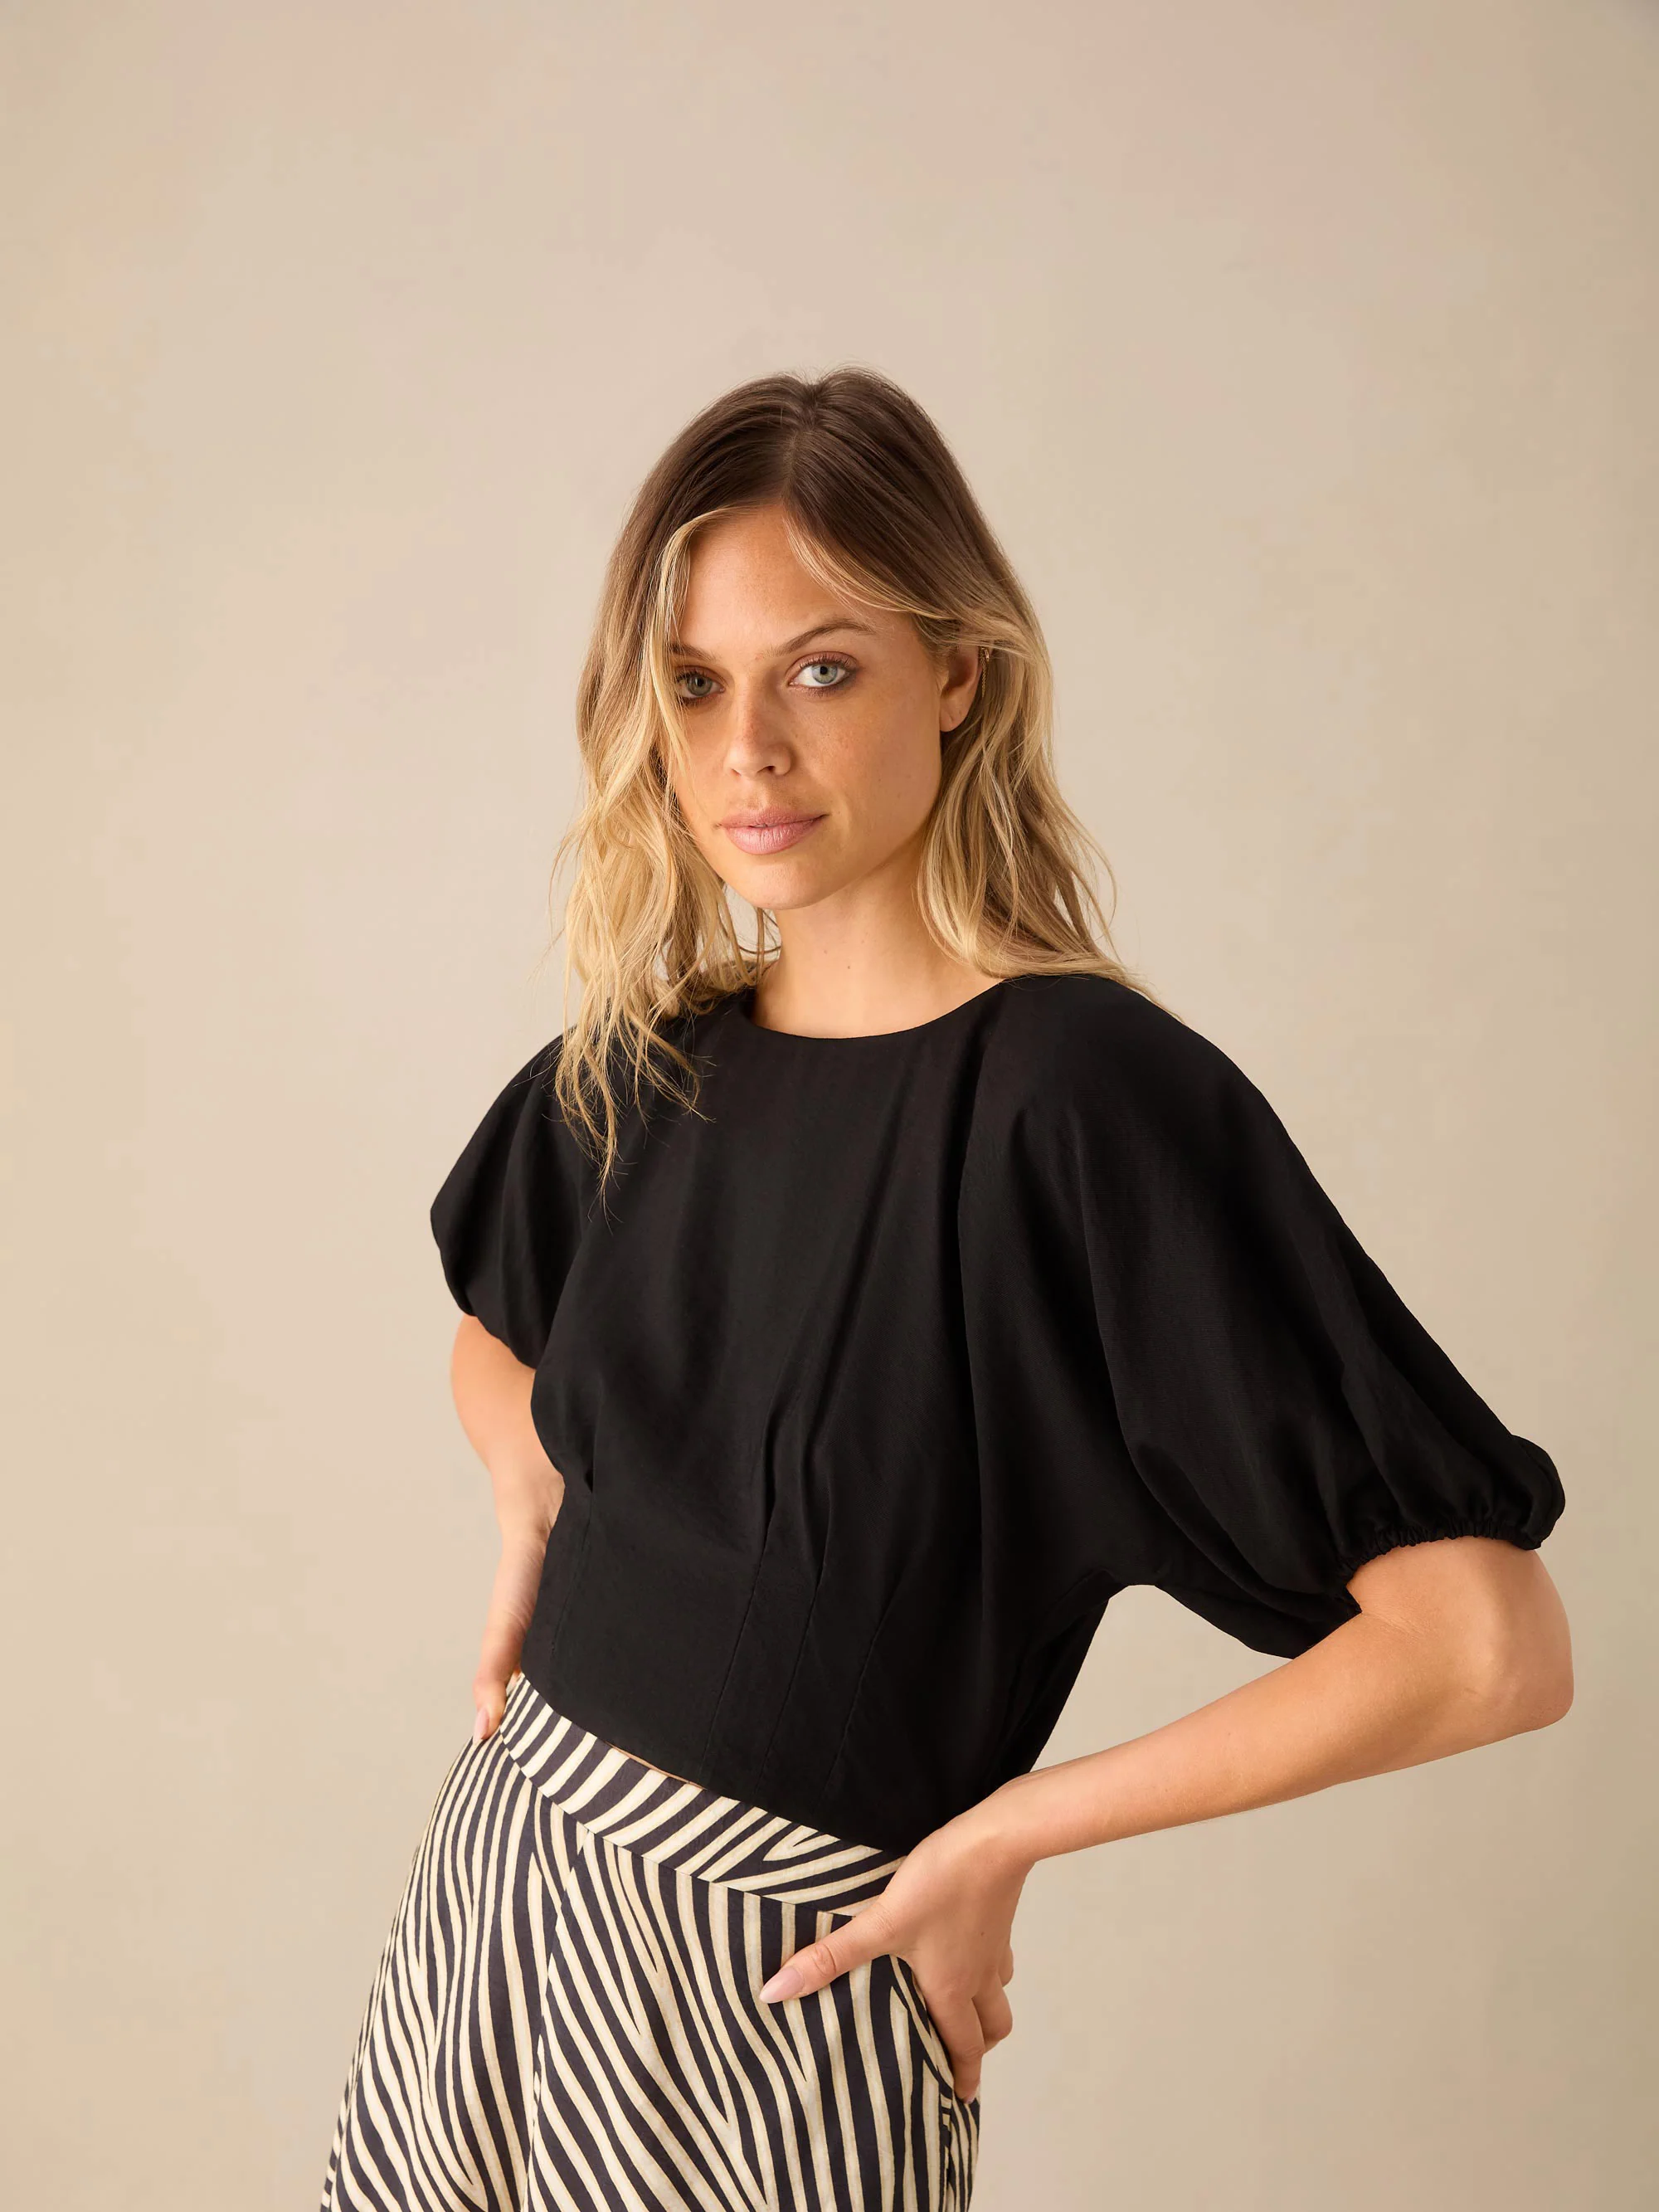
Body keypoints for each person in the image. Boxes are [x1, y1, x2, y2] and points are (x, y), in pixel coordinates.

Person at [318, 368, 1572, 2212]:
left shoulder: (1081, 1101)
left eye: (821, 669)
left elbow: (1485, 1645)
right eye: (696, 683)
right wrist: (529, 1486)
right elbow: (498, 1340)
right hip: (487, 1923)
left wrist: (1003, 1834)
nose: (748, 750)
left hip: (767, 2005)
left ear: (959, 673)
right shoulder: (653, 1063)